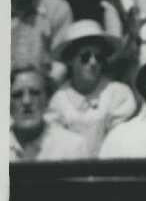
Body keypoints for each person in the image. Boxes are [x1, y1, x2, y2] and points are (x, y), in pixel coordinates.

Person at [48, 20, 137, 157]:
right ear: (71, 60)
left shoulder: (118, 94)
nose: (93, 62)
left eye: (99, 57)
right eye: (85, 57)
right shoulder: (58, 101)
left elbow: (121, 142)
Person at [10, 65, 89, 162]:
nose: (26, 101)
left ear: (47, 99)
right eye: (17, 95)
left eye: (35, 93)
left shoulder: (72, 147)